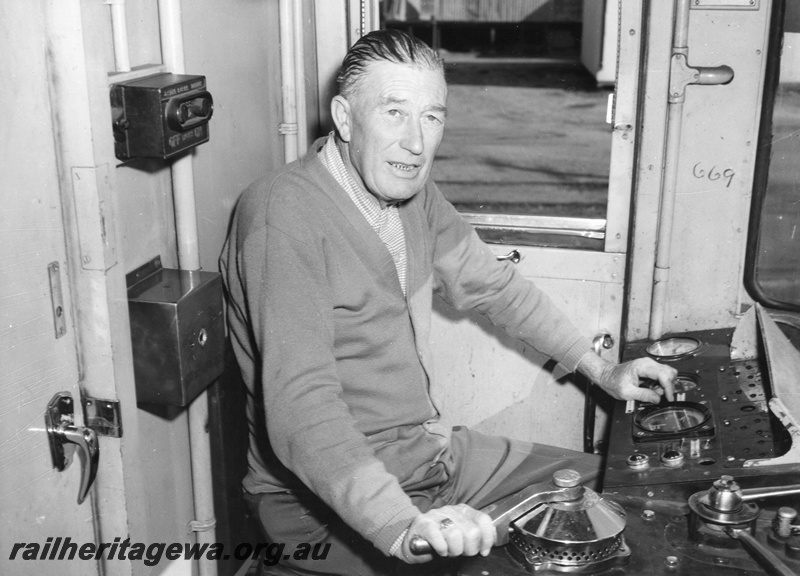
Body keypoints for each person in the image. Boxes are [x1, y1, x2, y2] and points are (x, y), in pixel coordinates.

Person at [220, 29, 676, 576]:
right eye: (394, 112)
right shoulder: (283, 217)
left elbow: (496, 287)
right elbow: (302, 410)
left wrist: (602, 369)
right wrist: (403, 525)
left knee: (612, 493)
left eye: (432, 117)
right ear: (344, 118)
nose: (416, 142)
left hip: (426, 453)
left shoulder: (412, 196)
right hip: (319, 503)